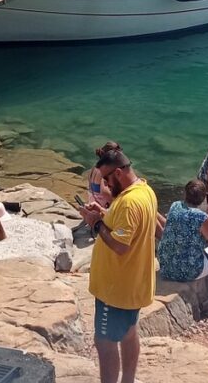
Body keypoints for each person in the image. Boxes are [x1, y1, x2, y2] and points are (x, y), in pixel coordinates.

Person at [78, 149, 157, 383]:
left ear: (119, 173)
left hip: (116, 290)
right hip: (133, 286)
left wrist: (95, 224)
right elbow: (127, 227)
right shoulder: (145, 190)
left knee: (105, 343)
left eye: (106, 179)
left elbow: (121, 246)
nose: (104, 184)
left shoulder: (129, 202)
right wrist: (104, 214)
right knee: (129, 334)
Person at [87, 141, 121, 207]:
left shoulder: (94, 168)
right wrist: (117, 201)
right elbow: (104, 191)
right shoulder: (104, 170)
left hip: (92, 201)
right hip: (101, 205)